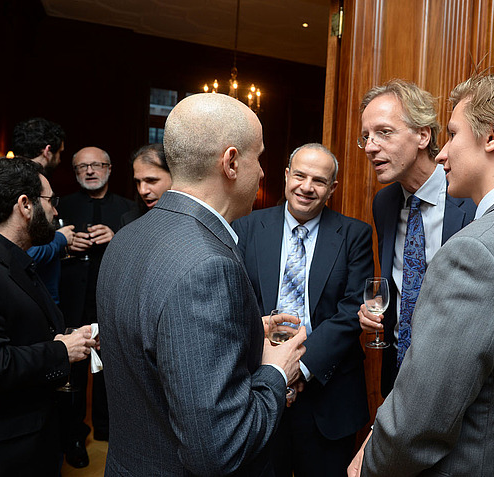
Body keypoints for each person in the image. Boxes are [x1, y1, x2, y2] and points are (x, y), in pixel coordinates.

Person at [349, 72, 494, 477]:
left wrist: (370, 464)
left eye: (453, 134)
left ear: (493, 136)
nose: (442, 153)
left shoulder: (475, 250)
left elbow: (419, 425)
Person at [97, 92, 307, 476]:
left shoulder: (128, 235)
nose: (263, 173)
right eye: (258, 157)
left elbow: (157, 337)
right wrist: (276, 371)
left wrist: (242, 332)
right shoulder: (208, 265)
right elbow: (219, 448)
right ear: (231, 162)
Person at [233, 143, 373, 477]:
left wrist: (299, 367)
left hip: (328, 390)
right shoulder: (246, 227)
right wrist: (273, 367)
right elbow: (238, 301)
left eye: (319, 181)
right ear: (286, 176)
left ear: (332, 188)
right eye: (299, 175)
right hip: (259, 387)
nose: (306, 187)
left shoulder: (354, 234)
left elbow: (351, 310)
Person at [357, 79, 476, 396]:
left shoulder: (470, 200)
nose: (370, 147)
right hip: (397, 373)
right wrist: (374, 312)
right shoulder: (384, 203)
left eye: (384, 132)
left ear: (423, 135)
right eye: (366, 136)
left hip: (455, 378)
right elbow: (398, 282)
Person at [0, 157, 95, 476]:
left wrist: (67, 337)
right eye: (51, 201)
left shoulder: (18, 260)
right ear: (25, 205)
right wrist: (60, 350)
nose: (55, 211)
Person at [57, 146, 135, 467]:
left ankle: (109, 430)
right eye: (82, 167)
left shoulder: (129, 209)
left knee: (112, 370)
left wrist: (118, 237)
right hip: (71, 304)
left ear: (109, 168)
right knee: (73, 373)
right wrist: (64, 245)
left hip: (113, 303)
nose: (90, 171)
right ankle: (75, 437)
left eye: (96, 165)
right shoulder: (61, 205)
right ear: (75, 172)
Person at [12, 117, 75, 303]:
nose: (60, 159)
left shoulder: (15, 178)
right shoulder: (22, 183)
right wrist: (61, 239)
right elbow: (21, 252)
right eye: (59, 153)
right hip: (31, 297)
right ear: (48, 151)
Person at [120, 143, 172, 226]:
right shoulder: (129, 221)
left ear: (174, 177)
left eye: (151, 180)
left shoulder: (192, 219)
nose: (142, 191)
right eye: (138, 182)